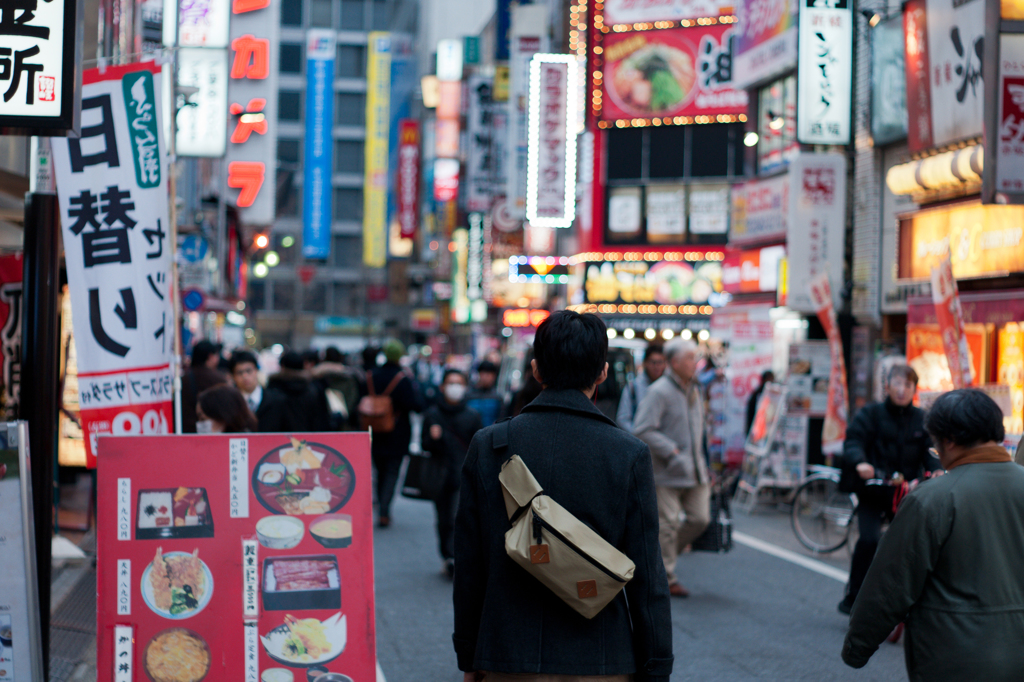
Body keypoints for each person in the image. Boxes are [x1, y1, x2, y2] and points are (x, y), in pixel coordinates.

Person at [454, 310, 673, 682]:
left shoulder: (489, 446)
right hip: (601, 657)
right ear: (602, 373)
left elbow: (470, 566)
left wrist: (469, 653)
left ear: (536, 370)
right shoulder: (628, 454)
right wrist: (656, 667)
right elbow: (648, 578)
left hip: (507, 654)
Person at [842, 389, 1024, 680]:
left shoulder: (933, 499)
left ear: (948, 441)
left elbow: (890, 585)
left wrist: (857, 648)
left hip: (954, 659)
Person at [837, 364, 940, 615]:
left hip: (907, 494)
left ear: (915, 389)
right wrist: (861, 462)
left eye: (908, 385)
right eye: (897, 384)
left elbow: (932, 449)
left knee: (914, 545)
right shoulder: (870, 414)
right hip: (874, 490)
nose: (902, 390)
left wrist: (936, 468)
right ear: (887, 386)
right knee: (869, 540)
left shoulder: (922, 419)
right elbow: (853, 440)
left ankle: (917, 601)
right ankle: (854, 596)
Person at [633, 337, 709, 599]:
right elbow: (641, 429)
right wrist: (672, 451)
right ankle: (667, 576)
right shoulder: (660, 391)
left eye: (695, 358)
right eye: (690, 358)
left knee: (701, 519)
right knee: (667, 526)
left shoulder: (695, 389)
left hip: (696, 470)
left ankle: (655, 561)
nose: (695, 363)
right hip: (666, 471)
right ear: (674, 362)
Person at [422, 369, 482, 578]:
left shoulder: (472, 415)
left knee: (458, 517)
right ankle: (447, 555)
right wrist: (433, 438)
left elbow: (478, 447)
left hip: (463, 474)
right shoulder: (432, 414)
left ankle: (455, 557)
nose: (455, 387)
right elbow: (424, 445)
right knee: (443, 518)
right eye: (451, 383)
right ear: (442, 387)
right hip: (439, 475)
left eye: (459, 383)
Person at [367, 339, 425, 527]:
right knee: (392, 471)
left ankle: (380, 504)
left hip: (373, 430)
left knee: (379, 469)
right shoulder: (402, 379)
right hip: (397, 433)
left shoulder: (371, 376)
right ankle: (384, 509)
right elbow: (414, 405)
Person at [265, 351, 332, 432]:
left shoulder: (273, 388)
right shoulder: (313, 388)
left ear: (282, 366)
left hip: (280, 441)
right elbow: (322, 420)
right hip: (309, 440)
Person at [228, 350, 284, 431]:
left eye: (249, 370)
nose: (245, 376)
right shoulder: (230, 403)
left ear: (256, 370)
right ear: (233, 376)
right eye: (239, 373)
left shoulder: (276, 400)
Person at [616, 344, 667, 432]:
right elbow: (623, 419)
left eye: (660, 362)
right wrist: (639, 436)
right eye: (653, 362)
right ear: (645, 363)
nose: (657, 367)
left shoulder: (669, 387)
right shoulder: (633, 387)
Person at [181, 340, 228, 433]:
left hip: (185, 433)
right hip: (212, 434)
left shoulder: (183, 379)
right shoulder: (219, 380)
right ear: (211, 357)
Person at [311, 346, 362, 431]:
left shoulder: (316, 376)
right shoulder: (349, 377)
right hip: (345, 423)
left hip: (322, 424)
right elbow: (353, 398)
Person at [466, 359, 502, 427]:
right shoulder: (469, 395)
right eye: (483, 374)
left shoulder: (497, 397)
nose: (486, 377)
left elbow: (501, 418)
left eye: (489, 374)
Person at [745, 370, 775, 436]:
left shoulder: (763, 393)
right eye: (771, 380)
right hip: (756, 432)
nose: (772, 382)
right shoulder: (760, 394)